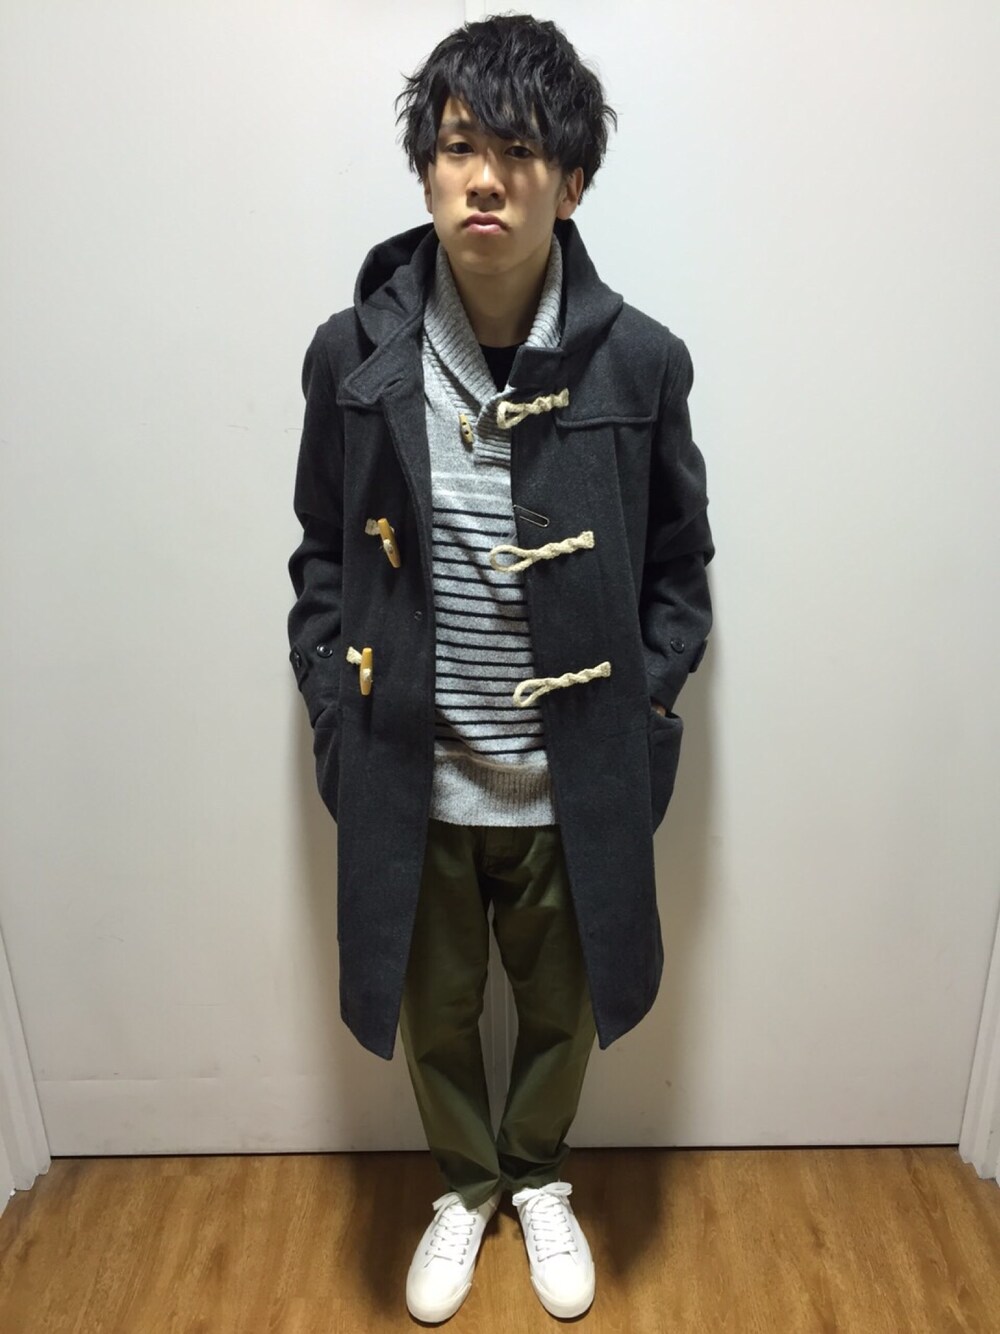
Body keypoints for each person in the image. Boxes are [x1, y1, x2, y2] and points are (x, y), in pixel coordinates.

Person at [287, 12, 714, 1323]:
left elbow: (680, 563)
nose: (485, 178)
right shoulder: (352, 357)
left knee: (563, 1002)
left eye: (520, 152)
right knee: (433, 1008)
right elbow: (320, 553)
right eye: (461, 145)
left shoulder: (641, 361)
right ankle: (464, 1185)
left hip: (573, 775)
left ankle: (537, 1172)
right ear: (426, 167)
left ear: (571, 182)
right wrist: (335, 707)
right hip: (410, 771)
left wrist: (646, 696)